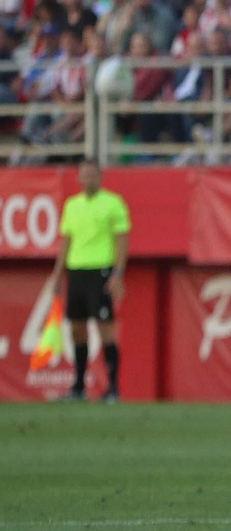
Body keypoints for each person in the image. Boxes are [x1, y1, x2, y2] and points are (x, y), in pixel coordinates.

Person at [47, 161, 130, 403]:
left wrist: (118, 273)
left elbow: (122, 239)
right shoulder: (72, 205)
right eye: (84, 175)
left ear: (100, 177)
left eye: (92, 175)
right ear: (79, 178)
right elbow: (66, 241)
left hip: (101, 271)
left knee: (105, 329)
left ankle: (113, 388)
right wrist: (57, 274)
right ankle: (78, 387)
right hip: (76, 271)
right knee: (76, 329)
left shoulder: (113, 203)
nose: (88, 179)